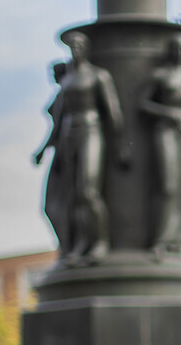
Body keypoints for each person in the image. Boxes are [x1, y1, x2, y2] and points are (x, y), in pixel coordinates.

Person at [54, 32, 128, 260]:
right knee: (75, 194)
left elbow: (113, 112)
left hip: (91, 131)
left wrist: (121, 144)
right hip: (69, 134)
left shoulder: (99, 75)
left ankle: (101, 241)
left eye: (78, 45)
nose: (74, 50)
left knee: (88, 191)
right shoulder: (66, 80)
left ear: (86, 49)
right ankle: (82, 243)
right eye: (71, 46)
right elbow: (58, 117)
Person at [139, 33, 181, 255]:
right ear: (171, 50)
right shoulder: (160, 75)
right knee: (168, 184)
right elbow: (143, 103)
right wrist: (168, 113)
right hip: (166, 129)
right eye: (179, 48)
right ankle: (161, 238)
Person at [32, 61, 69, 255]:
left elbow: (57, 129)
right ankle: (66, 246)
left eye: (54, 72)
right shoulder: (62, 93)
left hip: (67, 152)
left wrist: (41, 151)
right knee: (51, 206)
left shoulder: (66, 93)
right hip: (61, 152)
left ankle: (68, 246)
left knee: (56, 204)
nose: (51, 75)